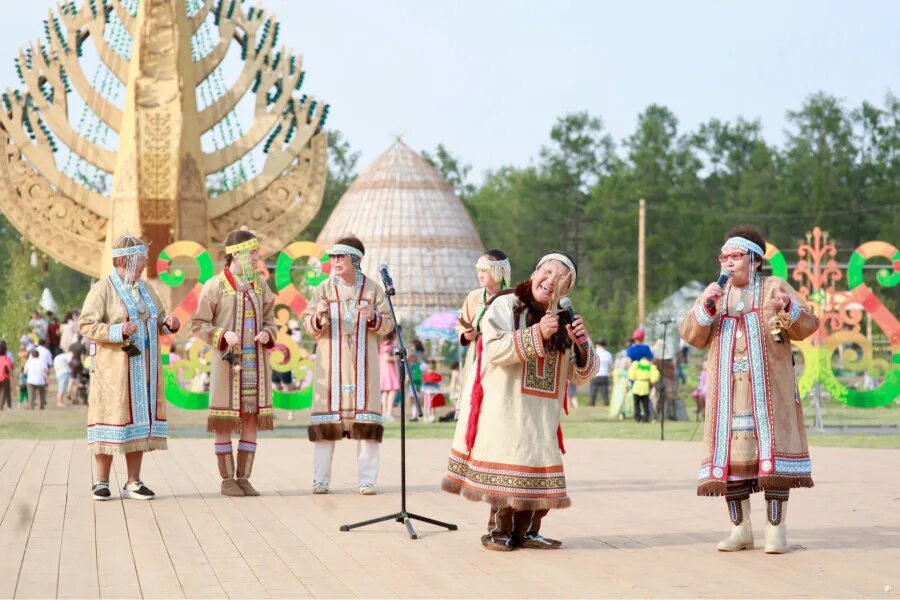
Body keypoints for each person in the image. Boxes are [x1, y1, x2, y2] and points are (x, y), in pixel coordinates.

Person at [442, 251, 599, 551]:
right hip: (507, 407)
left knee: (539, 470)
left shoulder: (567, 316)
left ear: (567, 290)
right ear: (535, 271)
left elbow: (581, 375)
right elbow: (494, 349)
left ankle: (526, 532)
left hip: (544, 412)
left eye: (561, 278)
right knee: (510, 467)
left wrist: (581, 345)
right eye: (548, 271)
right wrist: (537, 333)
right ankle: (498, 531)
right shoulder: (506, 304)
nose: (552, 280)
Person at [679, 225, 818, 554]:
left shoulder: (774, 287)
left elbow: (808, 324)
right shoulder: (715, 291)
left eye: (736, 256)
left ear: (755, 261)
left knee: (772, 462)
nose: (728, 262)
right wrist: (706, 308)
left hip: (770, 395)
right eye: (723, 257)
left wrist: (788, 307)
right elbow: (691, 334)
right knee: (730, 461)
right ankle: (739, 529)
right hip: (728, 395)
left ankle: (776, 531)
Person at [79, 235, 179, 500]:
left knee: (138, 423)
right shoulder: (103, 289)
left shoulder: (146, 290)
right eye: (143, 258)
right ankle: (101, 481)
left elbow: (159, 319)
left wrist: (169, 323)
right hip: (114, 372)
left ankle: (133, 481)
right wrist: (117, 330)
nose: (146, 263)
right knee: (111, 419)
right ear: (128, 259)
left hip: (144, 369)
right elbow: (86, 324)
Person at [301, 236, 394, 495]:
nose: (335, 261)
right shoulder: (323, 289)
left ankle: (367, 480)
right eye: (332, 257)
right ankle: (320, 480)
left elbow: (388, 324)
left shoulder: (374, 289)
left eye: (340, 256)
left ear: (355, 260)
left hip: (365, 366)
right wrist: (318, 315)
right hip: (330, 367)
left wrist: (374, 316)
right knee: (326, 424)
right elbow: (307, 324)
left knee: (367, 423)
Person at [191, 230, 277, 497]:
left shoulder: (260, 286)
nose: (256, 257)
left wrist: (268, 332)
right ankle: (227, 479)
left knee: (251, 419)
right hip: (227, 364)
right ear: (236, 254)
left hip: (256, 365)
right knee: (225, 421)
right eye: (252, 253)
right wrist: (222, 334)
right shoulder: (215, 285)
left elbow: (271, 319)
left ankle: (244, 478)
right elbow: (198, 323)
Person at [628, 355, 659, 423]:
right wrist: (651, 381)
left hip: (637, 385)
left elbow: (631, 375)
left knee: (636, 404)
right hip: (645, 386)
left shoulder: (636, 364)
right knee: (645, 404)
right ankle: (646, 417)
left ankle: (637, 417)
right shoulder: (650, 366)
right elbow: (655, 376)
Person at [379, 331, 400, 422]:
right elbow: (386, 357)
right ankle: (388, 413)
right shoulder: (389, 345)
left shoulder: (383, 344)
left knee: (385, 392)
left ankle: (384, 413)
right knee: (392, 390)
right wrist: (396, 358)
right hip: (389, 370)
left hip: (383, 370)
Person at [589, 339, 613, 406]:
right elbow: (611, 366)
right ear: (604, 345)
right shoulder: (608, 354)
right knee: (605, 393)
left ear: (597, 345)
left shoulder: (592, 353)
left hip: (594, 375)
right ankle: (606, 404)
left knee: (593, 392)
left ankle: (591, 404)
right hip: (604, 375)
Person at [0, 341, 13, 410]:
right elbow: (10, 368)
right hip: (5, 377)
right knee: (4, 392)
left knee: (6, 391)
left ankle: (9, 405)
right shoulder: (7, 358)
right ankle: (2, 406)